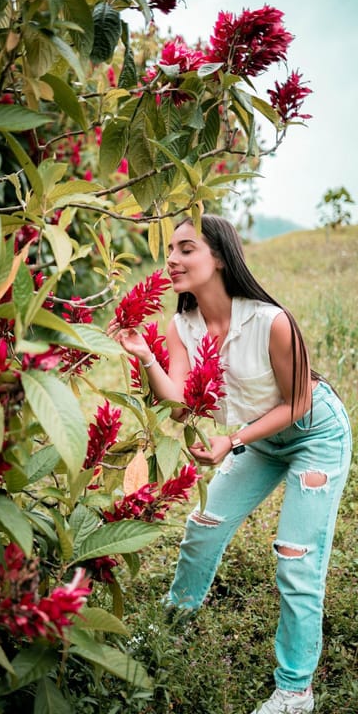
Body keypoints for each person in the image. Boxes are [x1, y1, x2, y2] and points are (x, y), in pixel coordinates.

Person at [108, 214, 352, 714]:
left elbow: (300, 401)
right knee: (203, 524)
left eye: (186, 248)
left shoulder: (270, 320)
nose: (171, 259)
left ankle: (295, 692)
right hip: (259, 441)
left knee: (296, 558)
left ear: (218, 256)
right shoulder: (183, 325)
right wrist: (144, 356)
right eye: (169, 249)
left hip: (314, 435)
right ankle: (174, 623)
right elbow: (179, 404)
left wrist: (232, 438)